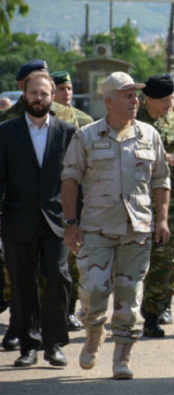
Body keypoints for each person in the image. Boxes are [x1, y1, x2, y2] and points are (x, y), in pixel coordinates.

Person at [61, 71, 171, 380]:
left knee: (129, 299)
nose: (135, 100)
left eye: (136, 95)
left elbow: (161, 179)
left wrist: (162, 219)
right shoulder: (87, 136)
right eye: (128, 95)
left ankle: (122, 357)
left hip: (136, 230)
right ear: (109, 101)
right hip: (95, 229)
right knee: (93, 293)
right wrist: (71, 223)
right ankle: (94, 331)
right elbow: (70, 179)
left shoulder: (150, 135)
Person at [0, 71, 76, 368]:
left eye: (44, 94)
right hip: (18, 219)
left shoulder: (68, 132)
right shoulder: (6, 132)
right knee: (22, 283)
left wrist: (76, 219)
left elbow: (76, 180)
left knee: (58, 277)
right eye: (34, 93)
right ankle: (28, 345)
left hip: (57, 220)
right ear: (25, 95)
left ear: (53, 96)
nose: (39, 99)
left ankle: (54, 343)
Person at [137, 73, 174, 338]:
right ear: (147, 98)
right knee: (132, 263)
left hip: (170, 209)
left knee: (165, 260)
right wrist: (162, 157)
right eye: (162, 99)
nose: (168, 104)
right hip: (135, 206)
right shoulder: (131, 121)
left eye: (171, 98)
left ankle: (154, 312)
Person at [51, 69, 94, 332]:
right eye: (61, 89)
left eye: (69, 88)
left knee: (76, 260)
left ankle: (69, 310)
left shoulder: (85, 120)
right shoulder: (47, 118)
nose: (66, 93)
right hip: (52, 197)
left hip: (79, 197)